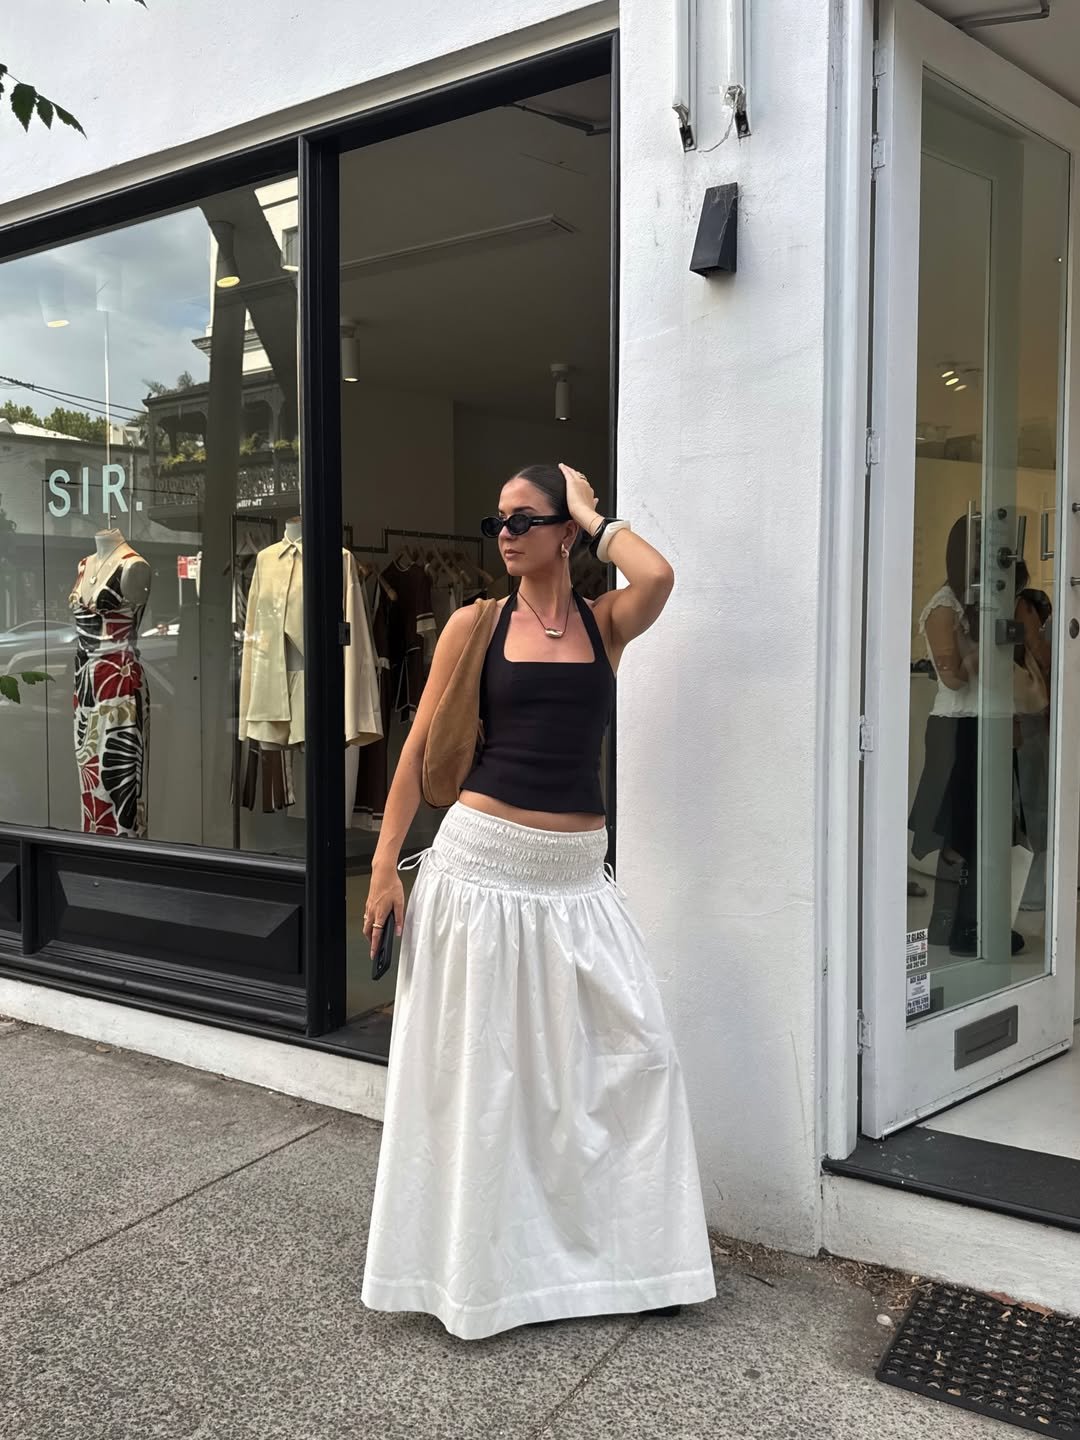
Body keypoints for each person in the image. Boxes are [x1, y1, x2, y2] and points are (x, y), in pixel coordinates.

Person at [359, 462, 717, 1340]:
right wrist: (384, 866)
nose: (507, 535)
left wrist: (594, 517)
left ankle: (635, 1259)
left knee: (633, 1059)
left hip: (577, 883)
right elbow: (416, 750)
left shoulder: (605, 623)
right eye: (499, 522)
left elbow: (660, 575)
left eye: (526, 519)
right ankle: (480, 1276)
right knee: (486, 1087)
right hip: (479, 875)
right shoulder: (476, 624)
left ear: (564, 531)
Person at [909, 515, 1028, 957]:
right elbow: (954, 678)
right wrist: (983, 649)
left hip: (987, 723)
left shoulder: (983, 603)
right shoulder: (944, 607)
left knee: (989, 828)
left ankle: (978, 922)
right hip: (957, 726)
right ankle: (956, 925)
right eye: (987, 550)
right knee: (961, 829)